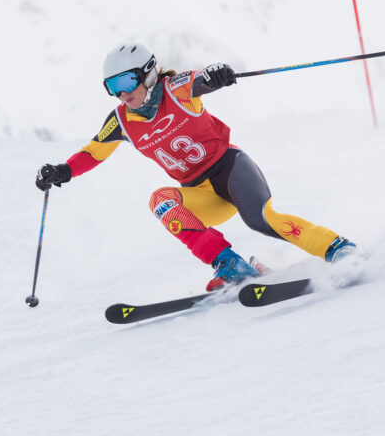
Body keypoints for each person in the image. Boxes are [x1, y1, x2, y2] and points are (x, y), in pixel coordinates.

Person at [35, 42, 358, 292]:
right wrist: (64, 170)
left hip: (231, 170)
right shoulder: (121, 120)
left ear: (148, 73)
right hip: (202, 193)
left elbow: (201, 81)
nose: (121, 93)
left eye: (125, 80)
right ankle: (230, 265)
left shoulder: (175, 89)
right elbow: (94, 152)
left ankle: (338, 248)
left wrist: (216, 74)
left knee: (261, 220)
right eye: (111, 86)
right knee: (161, 201)